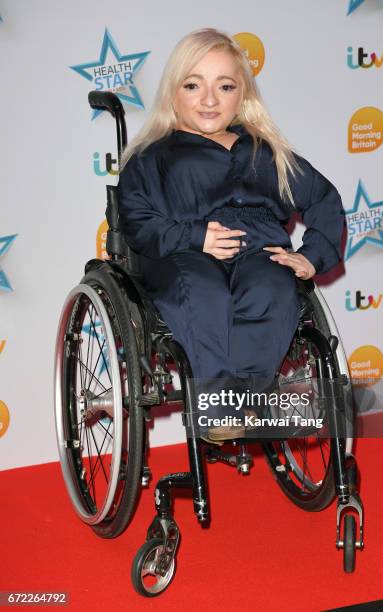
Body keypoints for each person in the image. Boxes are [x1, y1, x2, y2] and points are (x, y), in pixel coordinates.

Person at [117, 27, 345, 443]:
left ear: (243, 95)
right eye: (193, 85)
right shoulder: (154, 157)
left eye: (224, 86)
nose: (208, 99)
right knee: (204, 292)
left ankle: (254, 401)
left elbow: (323, 199)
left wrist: (313, 254)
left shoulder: (267, 152)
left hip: (258, 250)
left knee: (274, 286)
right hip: (183, 255)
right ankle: (218, 409)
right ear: (173, 93)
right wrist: (193, 236)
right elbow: (137, 219)